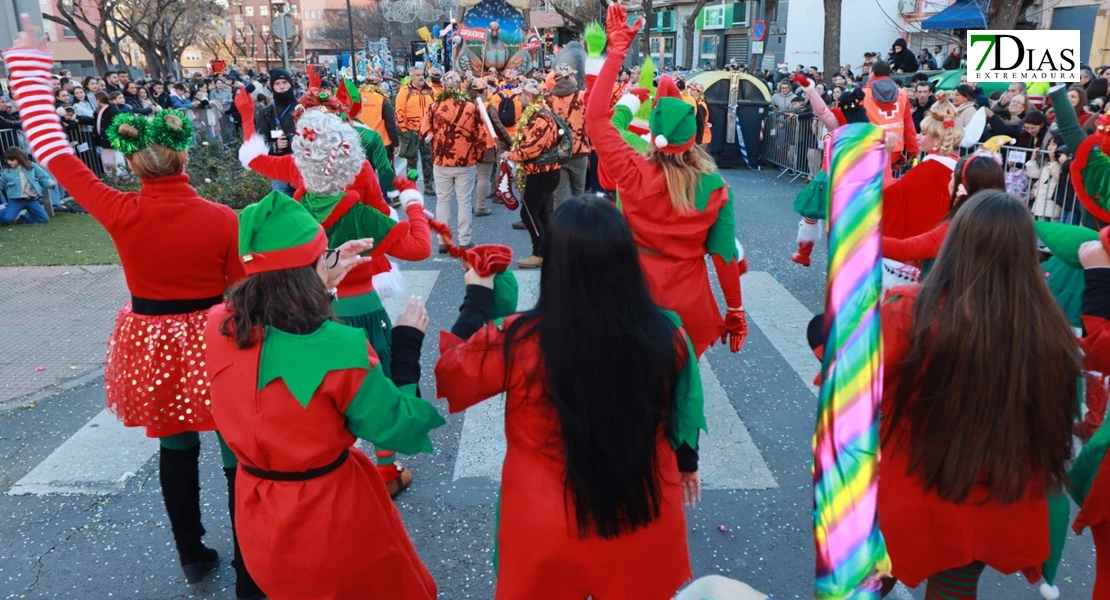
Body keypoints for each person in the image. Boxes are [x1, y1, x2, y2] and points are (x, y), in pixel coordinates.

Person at [2, 25, 265, 598]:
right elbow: (241, 288)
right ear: (184, 154)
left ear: (133, 163)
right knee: (234, 449)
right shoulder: (223, 218)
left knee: (175, 446)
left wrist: (25, 65)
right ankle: (250, 567)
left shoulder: (121, 210)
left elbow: (53, 153)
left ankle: (192, 554)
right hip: (216, 338)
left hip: (153, 339)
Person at [435, 195, 705, 600]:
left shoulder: (516, 339)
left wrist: (477, 297)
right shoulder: (667, 332)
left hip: (546, 522)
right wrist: (687, 463)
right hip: (642, 509)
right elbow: (686, 402)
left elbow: (453, 375)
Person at [208, 191, 444, 600]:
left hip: (258, 510)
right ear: (307, 272)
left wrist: (321, 273)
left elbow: (280, 321)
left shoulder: (218, 325)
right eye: (322, 256)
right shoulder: (340, 347)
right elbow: (396, 428)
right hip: (329, 515)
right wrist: (406, 345)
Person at [875, 190, 1079, 597]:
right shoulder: (1050, 328)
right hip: (997, 496)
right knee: (953, 588)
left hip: (916, 485)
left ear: (956, 243)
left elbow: (857, 389)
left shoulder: (909, 312)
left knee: (870, 578)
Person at [586, 4, 748, 358]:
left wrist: (615, 52)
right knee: (681, 394)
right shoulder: (716, 188)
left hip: (632, 295)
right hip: (688, 306)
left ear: (655, 131)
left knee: (633, 391)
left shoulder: (632, 169)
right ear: (694, 136)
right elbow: (722, 256)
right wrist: (735, 311)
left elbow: (596, 119)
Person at [882, 153, 1005, 275]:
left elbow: (905, 249)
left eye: (952, 178)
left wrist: (868, 243)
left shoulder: (960, 226)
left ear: (961, 186)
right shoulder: (1008, 220)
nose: (949, 183)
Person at [421, 71, 485, 252]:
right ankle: (464, 240)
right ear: (460, 85)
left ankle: (443, 240)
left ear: (443, 85)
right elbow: (481, 135)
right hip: (465, 161)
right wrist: (478, 156)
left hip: (441, 161)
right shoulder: (471, 108)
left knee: (443, 200)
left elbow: (424, 132)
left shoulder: (434, 107)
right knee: (464, 201)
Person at [506, 78, 562, 269]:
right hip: (544, 172)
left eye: (521, 94)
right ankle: (549, 251)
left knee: (528, 212)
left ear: (529, 96)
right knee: (543, 213)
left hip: (543, 172)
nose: (519, 98)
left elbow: (532, 149)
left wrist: (511, 155)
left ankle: (539, 252)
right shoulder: (537, 114)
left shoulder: (541, 118)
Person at [547, 63, 589, 208]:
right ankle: (579, 225)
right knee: (579, 193)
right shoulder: (583, 96)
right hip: (579, 150)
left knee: (559, 194)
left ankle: (558, 225)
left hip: (558, 152)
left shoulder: (548, 98)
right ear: (569, 77)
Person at [863, 61, 919, 170]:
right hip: (896, 148)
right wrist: (914, 151)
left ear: (873, 73)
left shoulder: (864, 94)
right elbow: (908, 125)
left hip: (872, 149)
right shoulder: (902, 94)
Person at [254, 68, 298, 195]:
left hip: (303, 164)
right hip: (279, 166)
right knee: (283, 204)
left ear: (290, 84)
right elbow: (261, 142)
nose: (282, 87)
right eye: (277, 84)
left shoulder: (303, 107)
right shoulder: (265, 113)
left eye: (284, 82)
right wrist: (276, 146)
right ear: (272, 87)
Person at [395, 66, 436, 195]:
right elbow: (399, 111)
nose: (421, 77)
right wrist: (404, 130)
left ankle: (428, 186)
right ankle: (410, 186)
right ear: (411, 77)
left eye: (422, 74)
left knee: (428, 160)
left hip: (427, 133)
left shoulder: (430, 91)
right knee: (411, 161)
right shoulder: (404, 92)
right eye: (417, 75)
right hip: (411, 132)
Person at [0, 147, 54, 225]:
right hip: (16, 200)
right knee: (7, 218)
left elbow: (43, 176)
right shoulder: (6, 171)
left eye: (12, 160)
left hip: (31, 199)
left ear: (19, 157)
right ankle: (6, 212)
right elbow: (1, 182)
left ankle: (20, 219)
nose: (9, 162)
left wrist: (49, 183)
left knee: (44, 219)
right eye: (7, 160)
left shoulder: (31, 166)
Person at [359, 72, 401, 161]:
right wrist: (395, 143)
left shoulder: (356, 96)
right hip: (382, 143)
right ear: (378, 83)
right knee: (386, 171)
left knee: (366, 172)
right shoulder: (382, 99)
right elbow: (390, 124)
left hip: (361, 142)